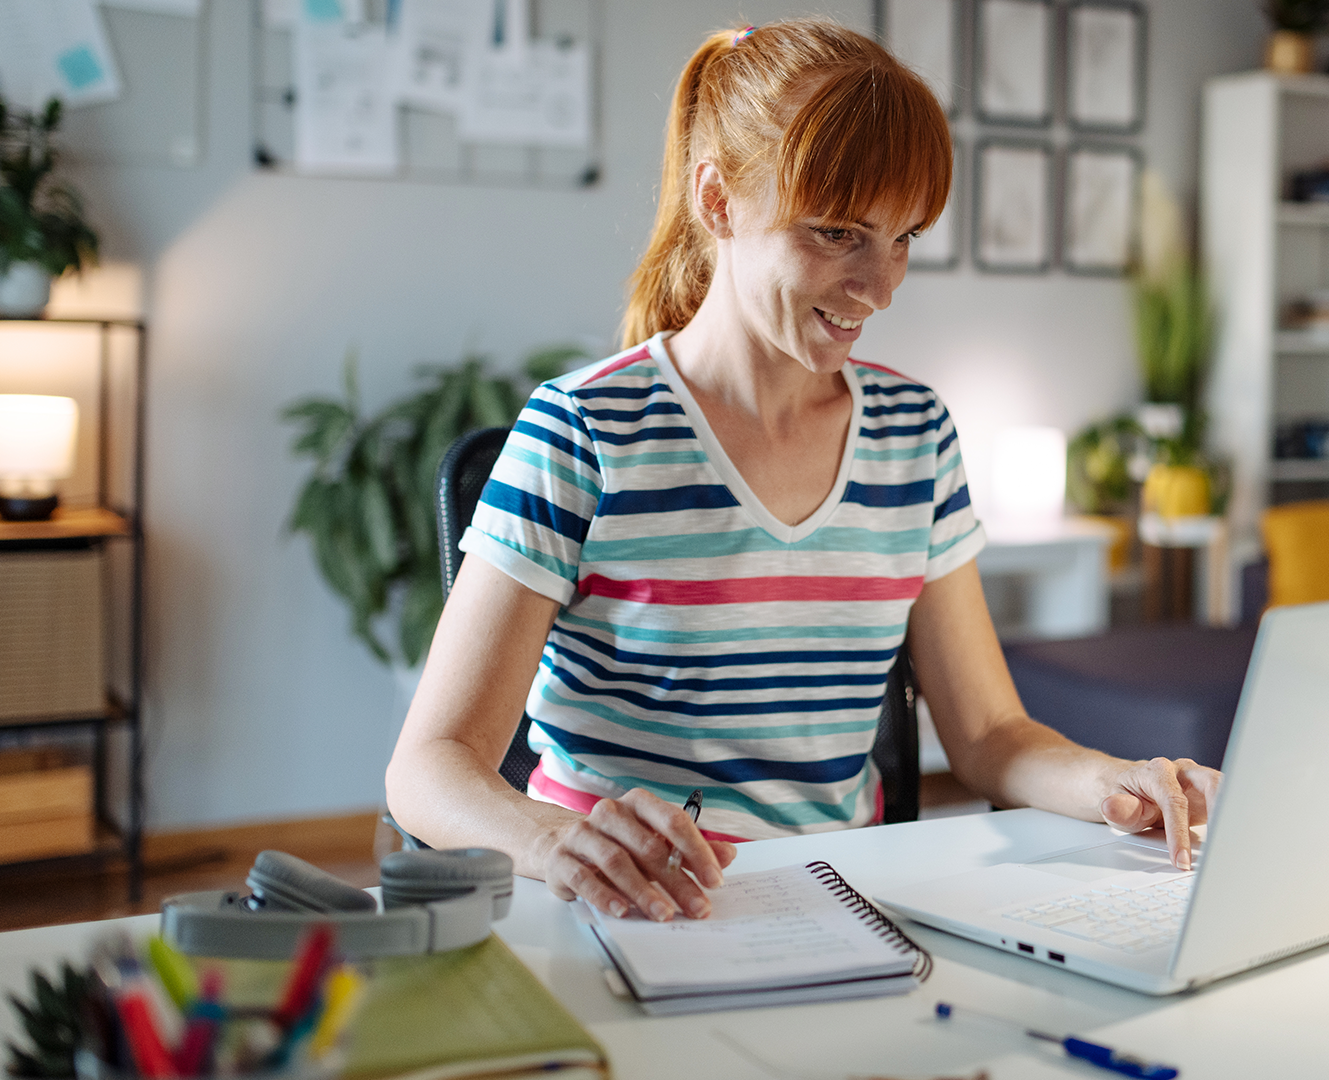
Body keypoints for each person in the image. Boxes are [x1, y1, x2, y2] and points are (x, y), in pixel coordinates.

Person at [385, 18, 1219, 927]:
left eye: (903, 238)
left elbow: (988, 736)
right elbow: (430, 766)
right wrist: (552, 842)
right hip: (619, 910)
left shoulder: (916, 433)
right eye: (837, 234)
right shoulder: (584, 430)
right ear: (718, 201)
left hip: (842, 901)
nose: (881, 284)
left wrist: (1114, 781)